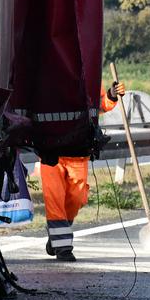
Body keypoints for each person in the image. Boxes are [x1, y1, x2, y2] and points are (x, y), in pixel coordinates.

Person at [39, 81, 125, 261]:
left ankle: (57, 235)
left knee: (77, 198)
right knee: (54, 198)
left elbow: (100, 105)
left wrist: (111, 95)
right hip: (51, 151)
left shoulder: (88, 77)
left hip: (78, 152)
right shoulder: (46, 76)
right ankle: (62, 247)